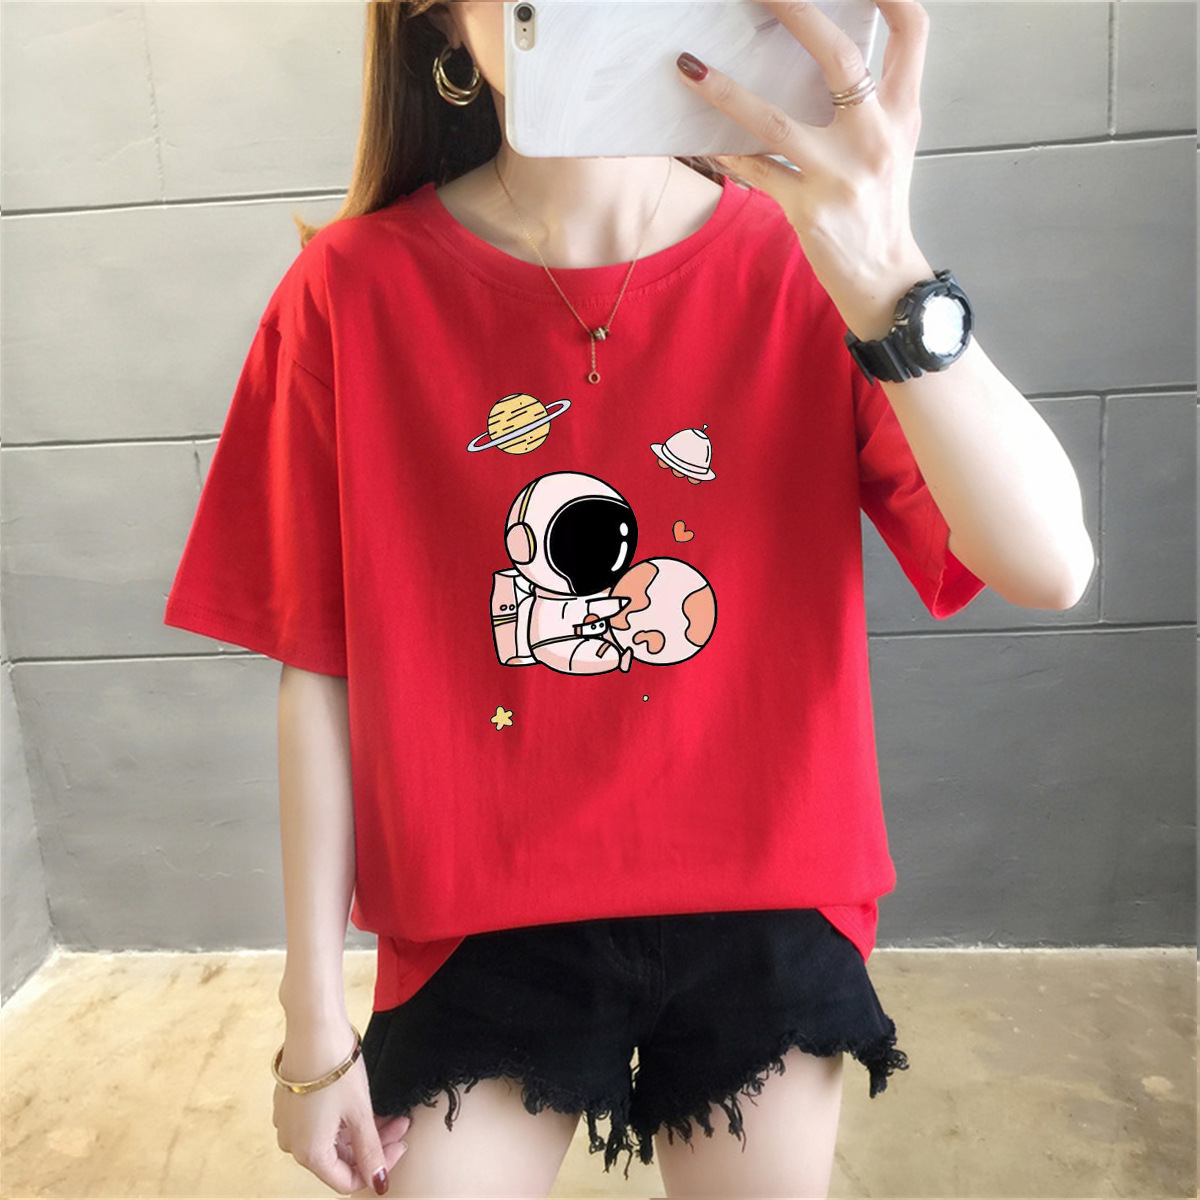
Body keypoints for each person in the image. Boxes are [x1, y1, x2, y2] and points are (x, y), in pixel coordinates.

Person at [162, 1, 1095, 1196]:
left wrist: (883, 263)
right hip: (475, 916)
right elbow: (318, 668)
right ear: (441, 24)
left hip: (766, 895)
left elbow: (1049, 565)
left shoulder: (809, 263)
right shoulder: (349, 292)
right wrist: (312, 1021)